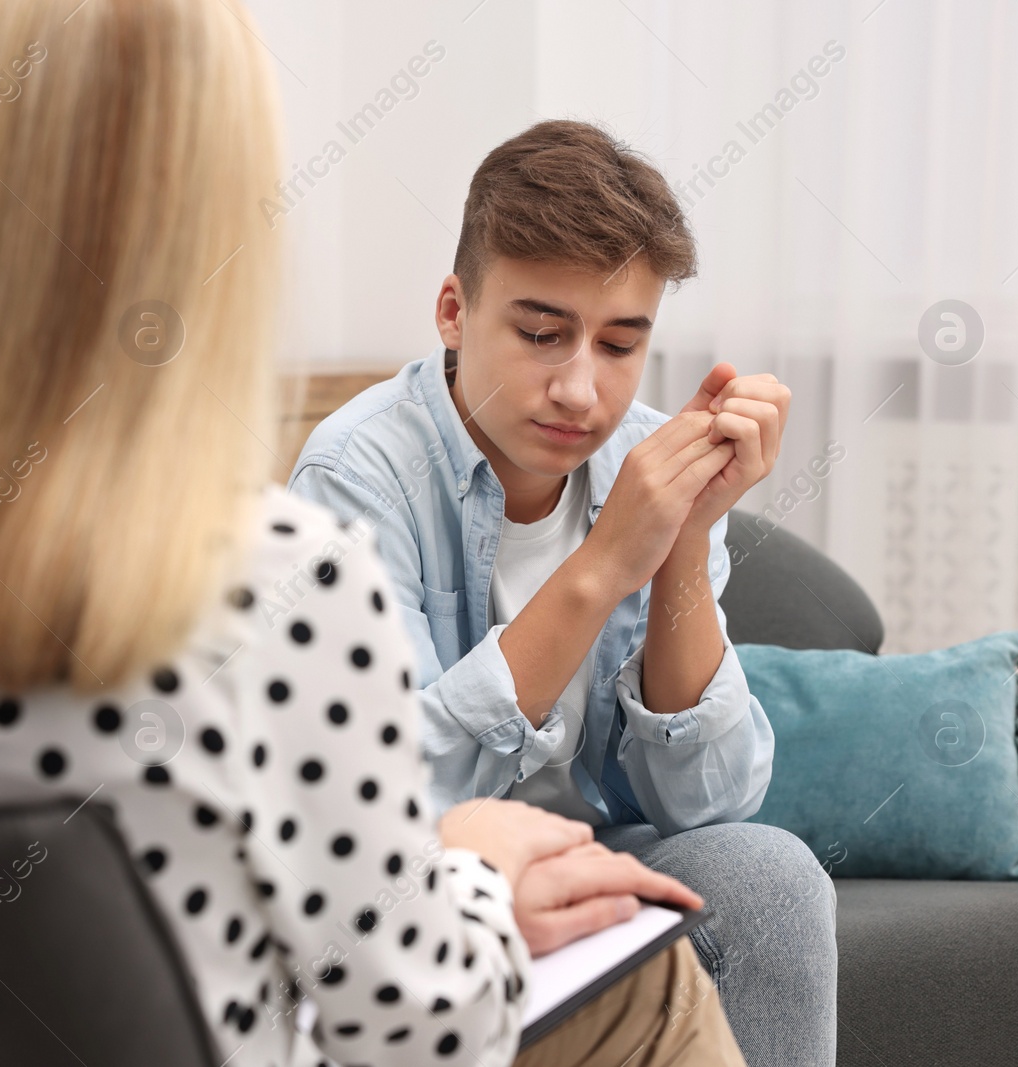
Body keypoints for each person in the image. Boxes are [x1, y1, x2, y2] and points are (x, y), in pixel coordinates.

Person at [0, 1, 745, 1065]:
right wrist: (468, 863)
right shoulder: (278, 582)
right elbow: (415, 1029)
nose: (579, 382)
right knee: (648, 986)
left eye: (619, 341)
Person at [288, 120, 837, 1066]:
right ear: (454, 312)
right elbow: (390, 798)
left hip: (593, 857)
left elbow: (708, 805)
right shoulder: (357, 476)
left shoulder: (644, 459)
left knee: (771, 875)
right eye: (542, 333)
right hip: (411, 879)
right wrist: (600, 568)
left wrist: (686, 542)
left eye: (621, 344)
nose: (581, 390)